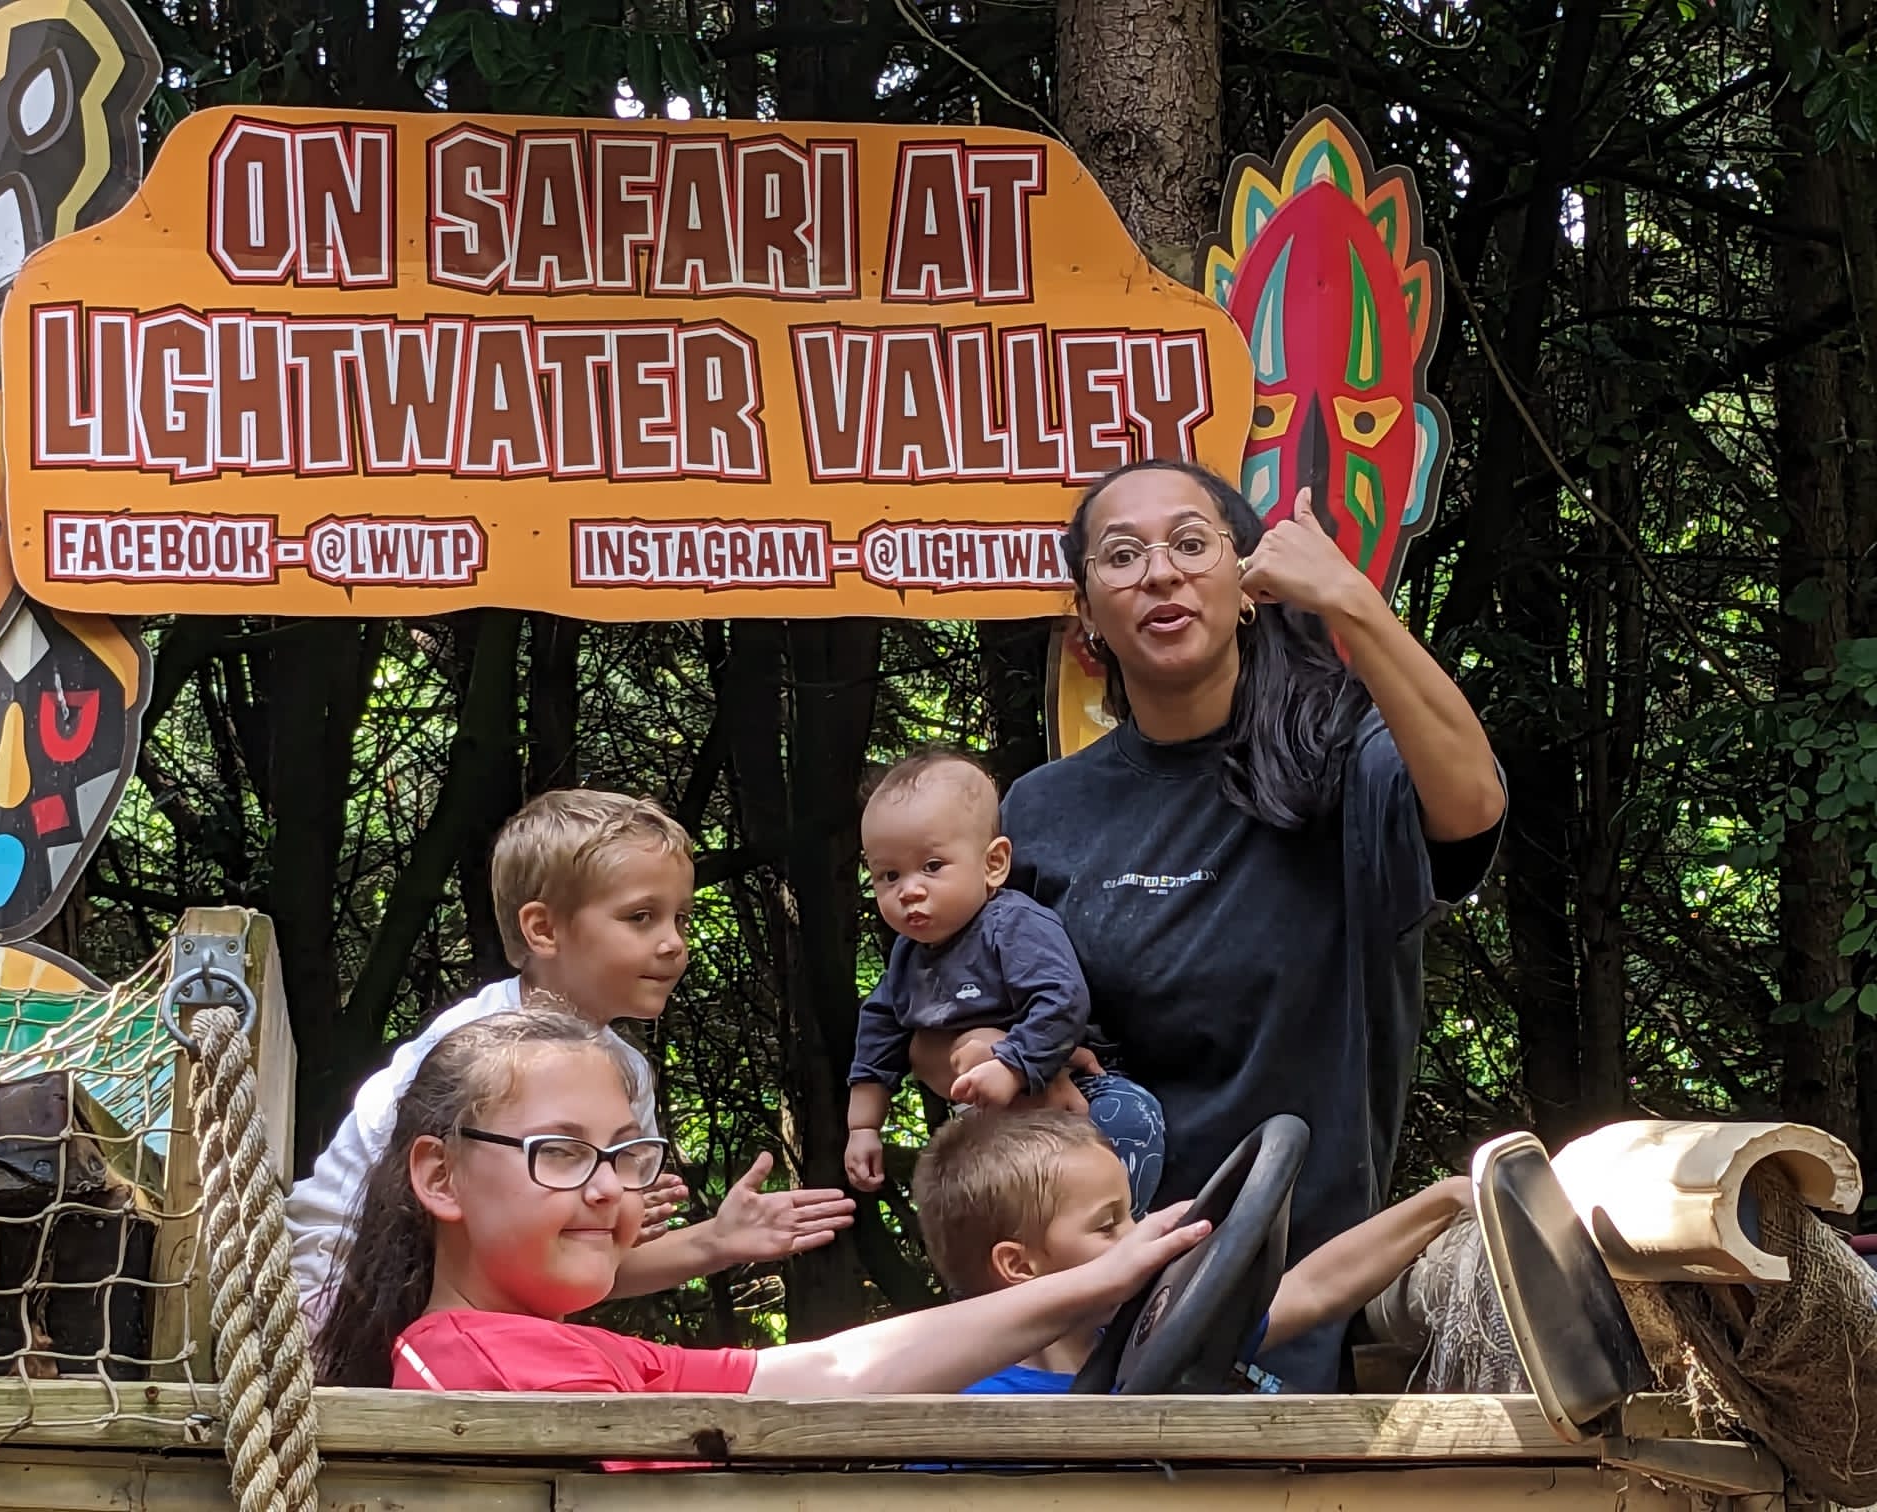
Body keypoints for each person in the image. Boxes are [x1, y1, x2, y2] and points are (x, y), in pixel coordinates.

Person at [915, 461, 1505, 1391]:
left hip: (1294, 1290)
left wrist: (1351, 602)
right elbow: (936, 1017)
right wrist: (988, 1048)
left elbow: (1472, 807)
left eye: (1192, 544)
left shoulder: (1340, 758)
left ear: (1246, 585)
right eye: (1122, 556)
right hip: (1081, 1311)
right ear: (1087, 614)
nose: (1161, 572)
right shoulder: (1040, 810)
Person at [314, 1008, 1212, 1397]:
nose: (607, 1188)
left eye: (625, 1154)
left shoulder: (567, 1350)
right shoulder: (480, 1362)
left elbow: (830, 1372)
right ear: (441, 1178)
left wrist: (1100, 1280)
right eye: (561, 1152)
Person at [286, 788, 854, 1329]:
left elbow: (585, 1272)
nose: (674, 943)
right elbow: (393, 1227)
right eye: (641, 917)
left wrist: (714, 1240)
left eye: (681, 918)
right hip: (338, 1296)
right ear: (543, 929)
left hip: (474, 1321)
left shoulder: (622, 1074)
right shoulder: (473, 1050)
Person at [912, 1108, 1472, 1394]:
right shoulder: (966, 1406)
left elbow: (1312, 1289)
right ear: (1020, 1265)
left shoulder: (1156, 1332)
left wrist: (1444, 1200)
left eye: (1131, 1213)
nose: (1137, 1236)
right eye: (1108, 1225)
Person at [845, 748, 1165, 1216]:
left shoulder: (1011, 926)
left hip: (1078, 1085)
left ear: (993, 863)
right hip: (991, 1115)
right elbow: (878, 1035)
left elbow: (1062, 1000)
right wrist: (863, 1127)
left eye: (932, 866)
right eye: (889, 875)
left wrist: (1013, 1065)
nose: (909, 890)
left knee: (1132, 1118)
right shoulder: (907, 957)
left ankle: (1120, 1228)